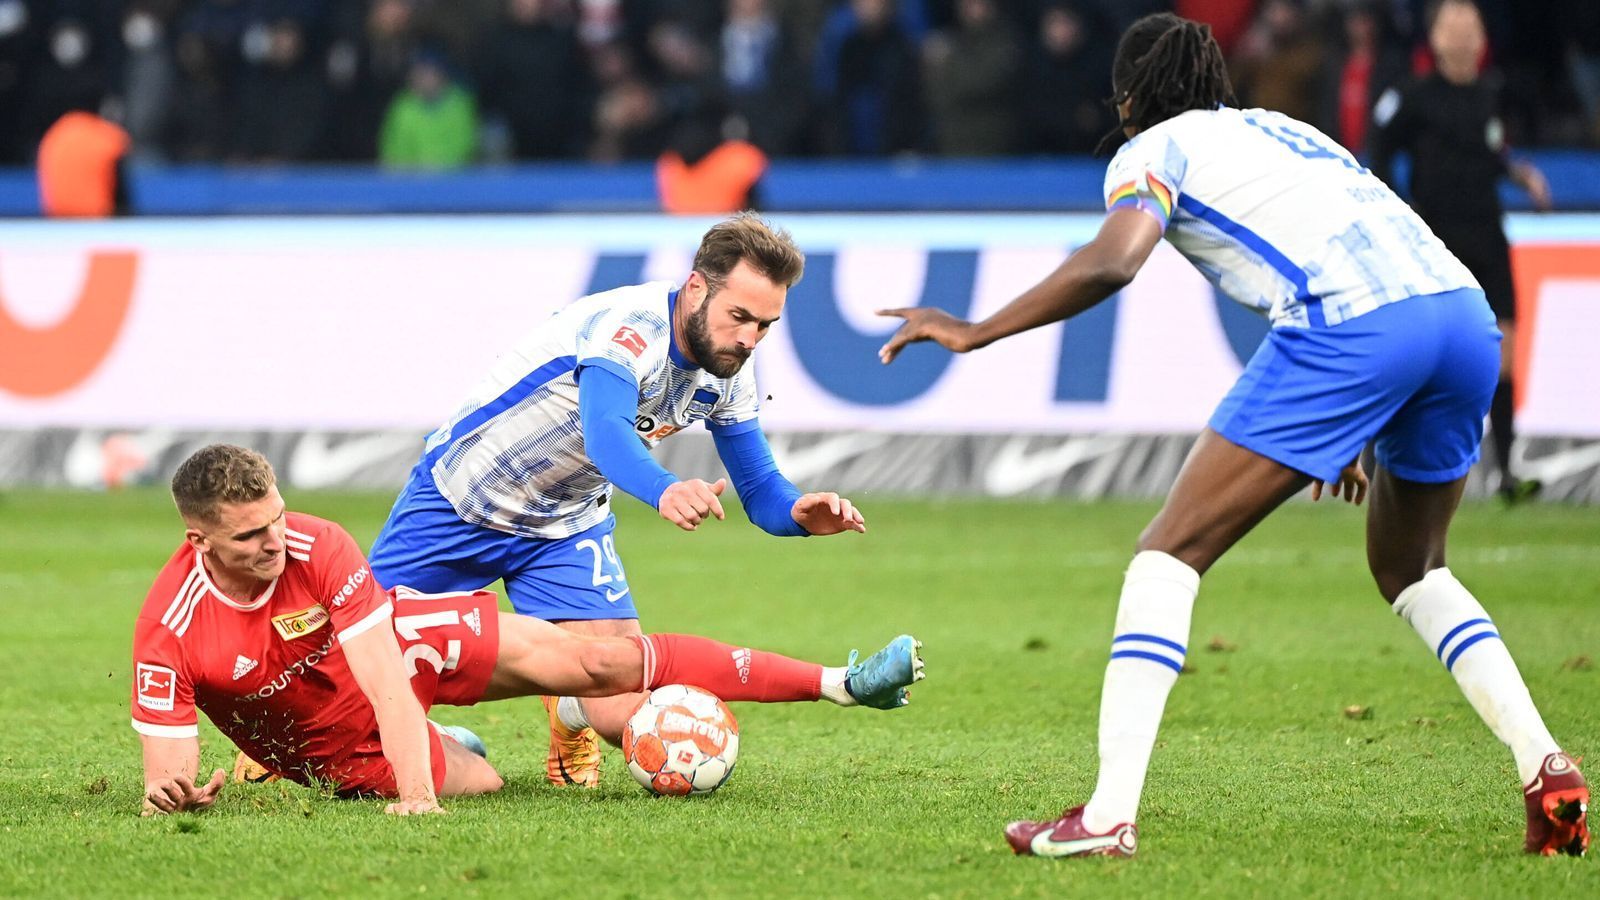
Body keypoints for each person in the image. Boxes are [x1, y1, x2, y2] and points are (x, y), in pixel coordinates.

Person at [878, 12, 1587, 859]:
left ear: (1130, 98)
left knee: (1166, 554)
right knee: (1412, 566)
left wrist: (976, 330)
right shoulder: (1287, 130)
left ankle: (1105, 817)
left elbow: (1115, 259)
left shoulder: (1150, 152)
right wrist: (1357, 418)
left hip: (1353, 331)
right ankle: (1546, 768)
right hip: (1462, 318)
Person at [368, 213, 903, 790]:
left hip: (564, 529)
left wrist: (798, 513)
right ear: (696, 288)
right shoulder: (628, 330)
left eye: (765, 326)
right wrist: (664, 488)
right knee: (342, 661)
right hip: (459, 501)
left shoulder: (730, 369)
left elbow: (760, 489)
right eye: (740, 317)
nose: (749, 339)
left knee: (621, 700)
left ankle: (570, 706)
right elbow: (606, 432)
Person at [135, 444, 924, 816]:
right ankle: (453, 747)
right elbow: (163, 775)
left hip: (387, 658)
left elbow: (383, 674)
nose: (277, 542)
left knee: (600, 662)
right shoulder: (169, 631)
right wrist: (172, 798)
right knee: (481, 781)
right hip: (328, 746)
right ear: (199, 542)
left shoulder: (316, 543)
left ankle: (841, 685)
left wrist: (417, 801)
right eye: (251, 538)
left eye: (276, 518)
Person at [1370, 0, 1550, 504]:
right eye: (1454, 26)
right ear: (1435, 38)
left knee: (1506, 356)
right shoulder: (1413, 95)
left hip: (1489, 237)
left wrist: (1518, 172)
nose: (1465, 36)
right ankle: (1377, 460)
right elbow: (1379, 148)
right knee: (1418, 357)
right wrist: (1396, 210)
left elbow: (1490, 152)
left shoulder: (1492, 94)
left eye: (1472, 27)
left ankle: (1506, 472)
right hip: (1437, 246)